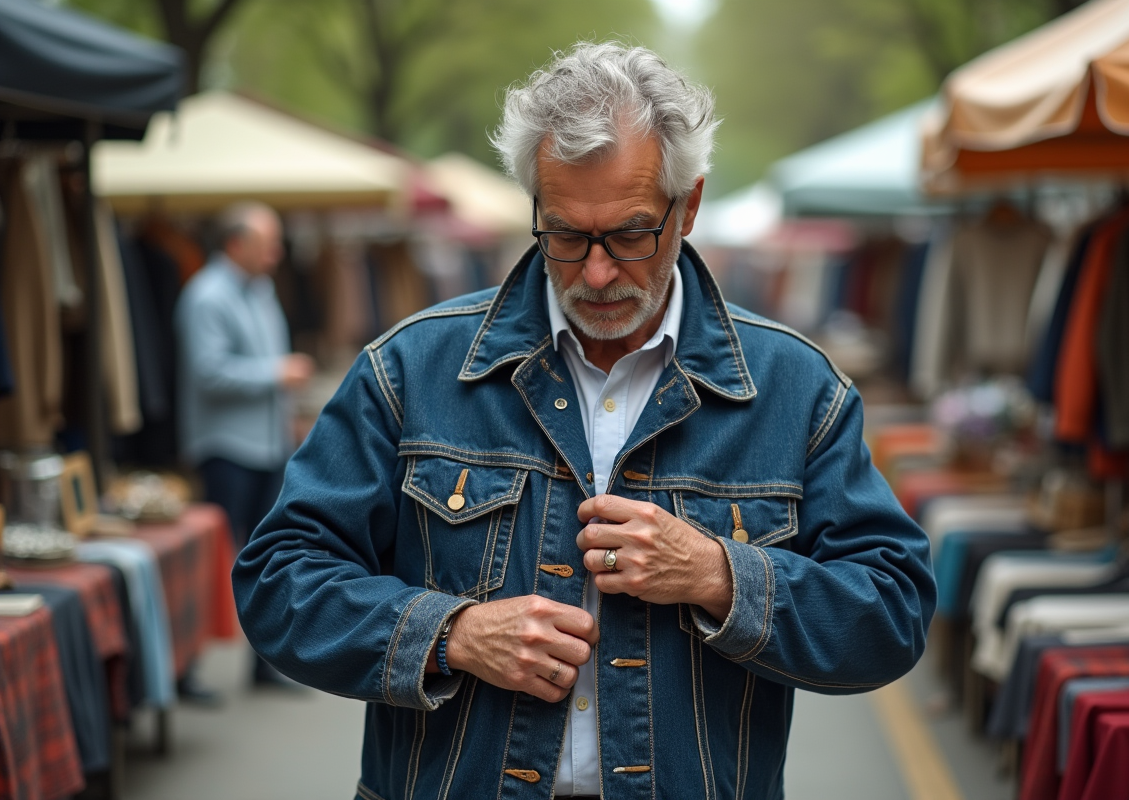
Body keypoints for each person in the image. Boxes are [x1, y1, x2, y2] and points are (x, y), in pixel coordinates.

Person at [233, 42, 935, 799]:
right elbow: (279, 580)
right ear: (534, 206)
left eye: (630, 234)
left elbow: (891, 611)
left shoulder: (796, 390)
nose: (597, 272)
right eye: (566, 235)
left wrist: (717, 576)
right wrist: (453, 634)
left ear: (688, 206)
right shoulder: (409, 370)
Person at [177, 201, 313, 692]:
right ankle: (182, 669)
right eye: (266, 244)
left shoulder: (261, 289)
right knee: (212, 558)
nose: (276, 254)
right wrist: (276, 374)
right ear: (236, 244)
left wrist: (288, 416)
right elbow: (208, 372)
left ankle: (263, 664)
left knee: (266, 557)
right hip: (224, 446)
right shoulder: (206, 297)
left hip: (264, 443)